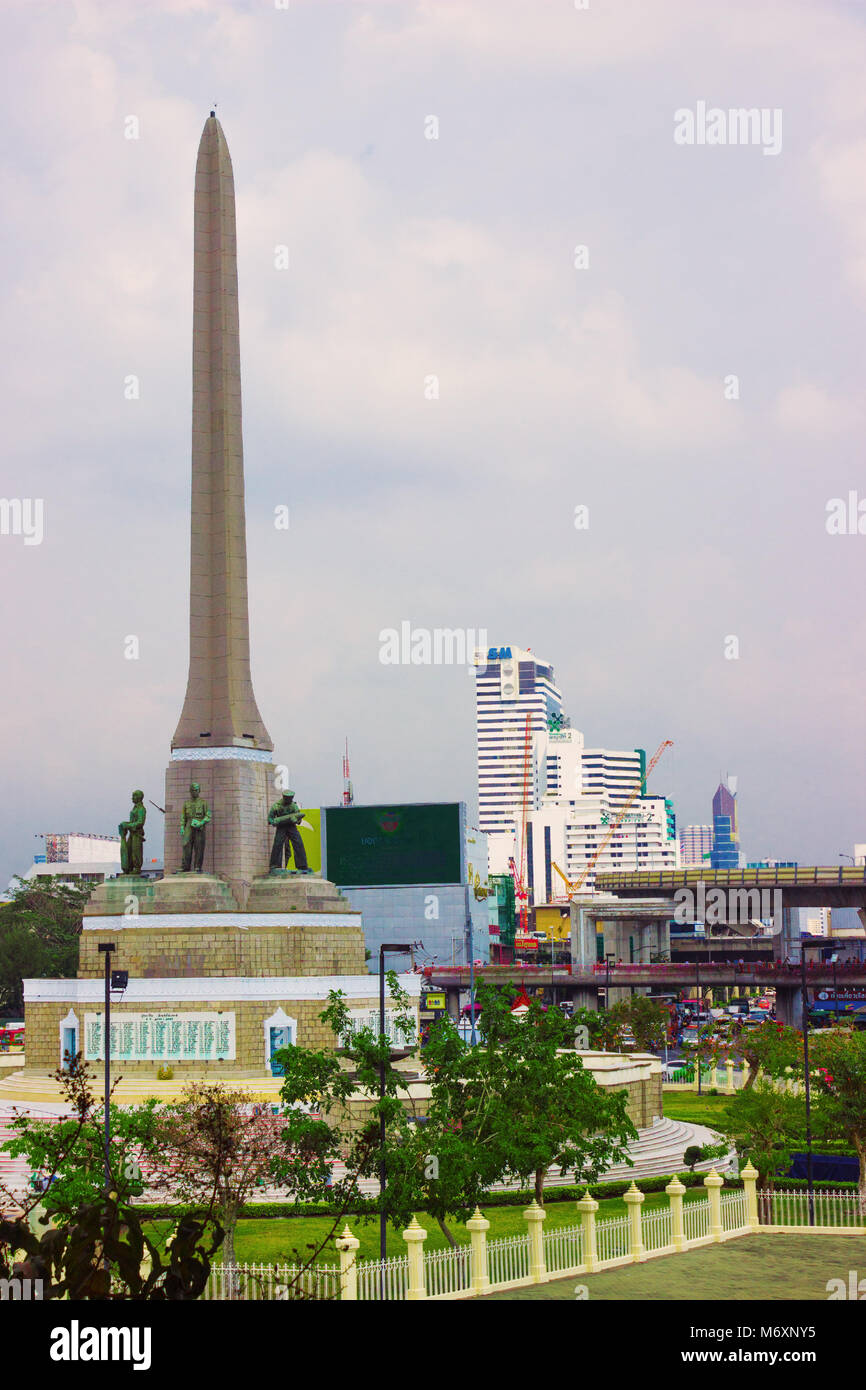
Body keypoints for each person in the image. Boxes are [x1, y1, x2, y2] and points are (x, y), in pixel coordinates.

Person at [268, 791, 310, 874]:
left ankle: (302, 865)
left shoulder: (294, 806)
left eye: (291, 799)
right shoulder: (276, 806)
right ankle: (275, 865)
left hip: (291, 827)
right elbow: (270, 818)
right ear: (284, 798)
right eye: (288, 799)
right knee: (277, 844)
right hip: (281, 827)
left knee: (298, 843)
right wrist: (273, 822)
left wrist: (297, 820)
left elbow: (299, 819)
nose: (289, 800)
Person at [180, 781, 211, 872]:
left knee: (199, 847)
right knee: (186, 845)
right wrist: (182, 827)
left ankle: (197, 867)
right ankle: (185, 866)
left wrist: (201, 823)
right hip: (189, 825)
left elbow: (208, 816)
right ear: (190, 791)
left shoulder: (203, 803)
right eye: (193, 790)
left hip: (199, 826)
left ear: (199, 790)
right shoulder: (186, 803)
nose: (195, 792)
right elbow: (183, 816)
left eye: (196, 790)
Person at [118, 790, 146, 874]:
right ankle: (129, 868)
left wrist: (128, 825)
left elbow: (140, 822)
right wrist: (125, 824)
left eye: (134, 796)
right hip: (131, 833)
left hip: (137, 834)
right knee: (129, 850)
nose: (132, 798)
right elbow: (133, 821)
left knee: (136, 850)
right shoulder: (134, 808)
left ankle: (137, 868)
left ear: (139, 797)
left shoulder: (141, 809)